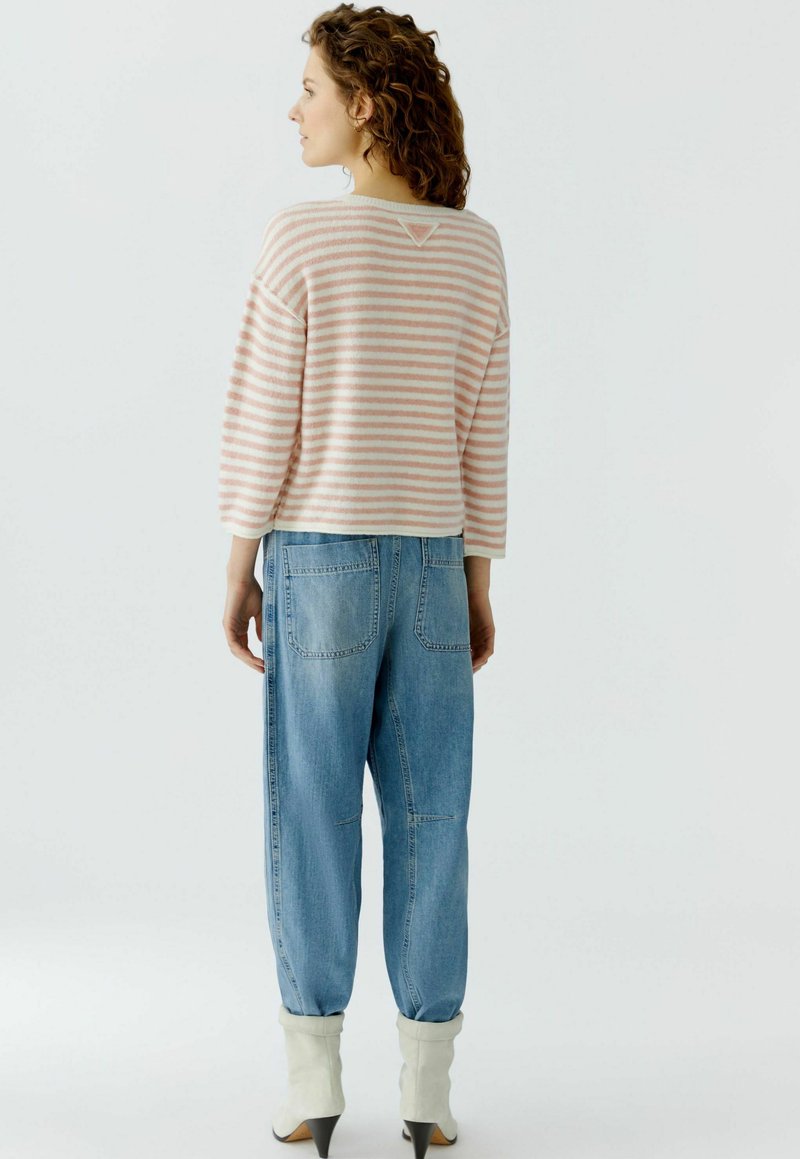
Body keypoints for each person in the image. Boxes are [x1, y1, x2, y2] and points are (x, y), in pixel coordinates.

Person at [218, 6, 510, 1156]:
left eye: (309, 90)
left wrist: (237, 562)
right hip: (433, 561)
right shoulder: (475, 247)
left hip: (320, 558)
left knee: (313, 814)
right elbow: (482, 429)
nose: (292, 110)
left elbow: (263, 420)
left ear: (364, 105)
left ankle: (312, 1087)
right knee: (433, 820)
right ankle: (428, 1098)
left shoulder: (300, 239)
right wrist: (475, 577)